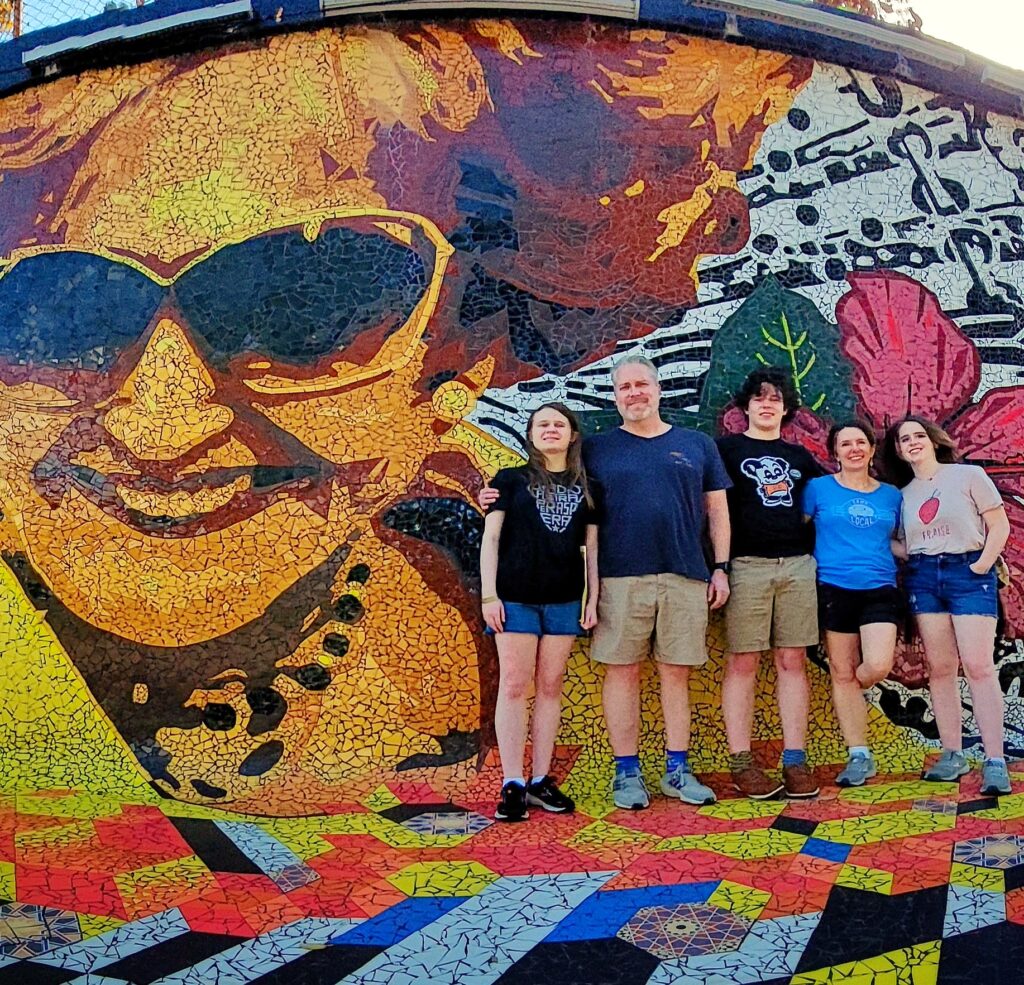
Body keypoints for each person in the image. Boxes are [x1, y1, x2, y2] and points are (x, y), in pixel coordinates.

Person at [484, 353, 732, 808]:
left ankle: (678, 770)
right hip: (618, 579)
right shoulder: (595, 450)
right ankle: (627, 774)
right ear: (615, 396)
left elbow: (718, 510)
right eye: (624, 387)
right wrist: (493, 493)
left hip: (686, 576)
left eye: (642, 384)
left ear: (658, 389)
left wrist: (721, 567)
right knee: (621, 674)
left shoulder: (698, 444)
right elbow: (551, 480)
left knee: (676, 675)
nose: (634, 393)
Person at [480, 403, 600, 821]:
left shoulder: (589, 486)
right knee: (515, 684)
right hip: (515, 597)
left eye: (559, 424)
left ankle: (540, 779)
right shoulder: (509, 481)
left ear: (572, 435)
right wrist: (489, 596)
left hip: (565, 600)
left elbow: (593, 550)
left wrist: (593, 597)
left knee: (551, 686)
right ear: (531, 435)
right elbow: (491, 539)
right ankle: (512, 780)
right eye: (542, 424)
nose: (551, 430)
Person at [884, 416, 1012, 796]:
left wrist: (982, 565)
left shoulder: (968, 476)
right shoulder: (902, 495)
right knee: (940, 668)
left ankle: (994, 760)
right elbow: (903, 545)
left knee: (978, 665)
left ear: (933, 440)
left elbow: (998, 525)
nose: (913, 442)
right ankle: (952, 753)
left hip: (968, 572)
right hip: (924, 575)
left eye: (918, 435)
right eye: (904, 439)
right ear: (897, 450)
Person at [717, 369, 823, 799]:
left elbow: (831, 502)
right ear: (745, 406)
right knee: (743, 661)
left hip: (797, 566)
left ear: (786, 408)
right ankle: (741, 760)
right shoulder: (725, 451)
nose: (767, 404)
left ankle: (794, 759)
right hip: (745, 566)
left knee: (792, 660)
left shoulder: (800, 459)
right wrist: (717, 566)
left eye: (775, 398)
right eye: (758, 397)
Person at [803, 420, 903, 787]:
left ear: (872, 450)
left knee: (876, 665)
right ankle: (859, 754)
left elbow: (896, 540)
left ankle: (847, 692)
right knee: (840, 670)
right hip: (833, 587)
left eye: (861, 442)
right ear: (834, 453)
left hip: (879, 586)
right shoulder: (818, 489)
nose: (854, 449)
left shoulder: (892, 495)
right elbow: (798, 529)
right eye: (845, 444)